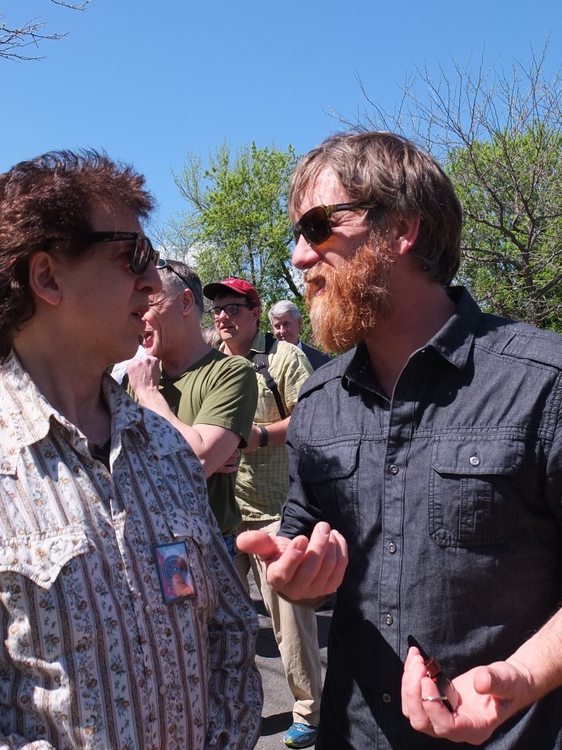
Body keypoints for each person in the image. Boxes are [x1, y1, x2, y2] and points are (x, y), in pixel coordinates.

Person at [238, 131, 562, 749]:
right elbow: (302, 531)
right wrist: (292, 571)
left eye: (317, 227)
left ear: (402, 230)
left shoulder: (547, 380)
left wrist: (522, 676)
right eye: (297, 237)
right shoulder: (319, 399)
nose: (302, 258)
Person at [0, 150, 262, 749]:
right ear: (47, 277)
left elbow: (231, 635)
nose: (153, 282)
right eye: (133, 257)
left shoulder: (163, 446)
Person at [204, 277, 323, 749]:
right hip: (224, 514)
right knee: (224, 625)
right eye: (216, 309)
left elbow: (312, 418)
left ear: (255, 313)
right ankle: (235, 707)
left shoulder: (284, 358)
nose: (222, 317)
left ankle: (309, 712)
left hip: (276, 510)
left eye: (232, 307)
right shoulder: (212, 363)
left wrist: (260, 436)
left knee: (289, 623)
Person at [127, 258, 258, 558]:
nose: (137, 318)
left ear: (185, 302)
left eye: (147, 305)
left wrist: (148, 394)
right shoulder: (136, 375)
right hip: (142, 543)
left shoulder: (231, 371)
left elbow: (197, 461)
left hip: (204, 546)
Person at [269, 299, 332, 369]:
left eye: (286, 324)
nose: (282, 331)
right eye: (277, 326)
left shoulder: (322, 360)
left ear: (299, 322)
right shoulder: (268, 362)